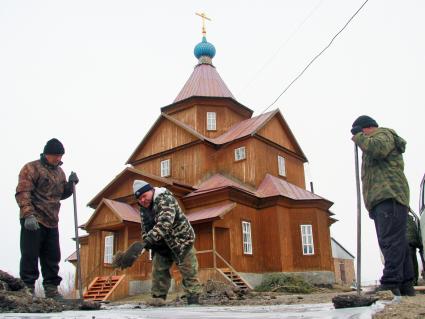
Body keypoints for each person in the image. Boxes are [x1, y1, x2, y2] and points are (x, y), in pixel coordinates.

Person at [351, 115, 415, 296]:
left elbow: (378, 149)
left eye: (361, 132)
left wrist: (359, 136)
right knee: (399, 242)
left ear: (366, 128)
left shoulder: (383, 134)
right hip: (384, 199)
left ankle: (390, 282)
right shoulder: (377, 139)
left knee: (390, 242)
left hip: (388, 197)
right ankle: (405, 284)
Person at [112, 180, 202, 305]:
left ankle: (194, 301)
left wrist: (148, 241)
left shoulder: (165, 199)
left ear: (151, 191)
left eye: (144, 196)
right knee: (158, 272)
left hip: (181, 241)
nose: (142, 200)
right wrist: (144, 245)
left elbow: (165, 223)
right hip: (161, 244)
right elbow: (145, 228)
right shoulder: (144, 209)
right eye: (139, 198)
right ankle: (158, 300)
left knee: (188, 271)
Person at [15, 138, 79, 299]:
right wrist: (28, 214)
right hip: (34, 219)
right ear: (47, 154)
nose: (59, 159)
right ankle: (28, 288)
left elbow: (60, 194)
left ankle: (51, 289)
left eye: (60, 156)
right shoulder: (31, 168)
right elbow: (23, 192)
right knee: (30, 254)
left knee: (52, 257)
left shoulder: (60, 172)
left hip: (52, 220)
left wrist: (70, 185)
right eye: (56, 155)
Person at [406, 212, 423, 286]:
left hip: (408, 242)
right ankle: (413, 280)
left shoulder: (405, 218)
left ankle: (412, 281)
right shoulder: (411, 219)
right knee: (413, 260)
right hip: (412, 242)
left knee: (410, 260)